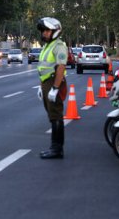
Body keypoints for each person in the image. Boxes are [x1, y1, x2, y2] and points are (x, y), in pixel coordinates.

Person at [36, 17, 68, 159]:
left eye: (47, 30)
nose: (43, 33)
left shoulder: (59, 46)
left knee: (56, 117)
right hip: (46, 83)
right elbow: (44, 67)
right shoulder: (48, 46)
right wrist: (40, 86)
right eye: (43, 30)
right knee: (52, 116)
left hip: (54, 82)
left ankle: (57, 149)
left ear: (55, 31)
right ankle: (54, 147)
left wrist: (55, 88)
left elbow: (61, 67)